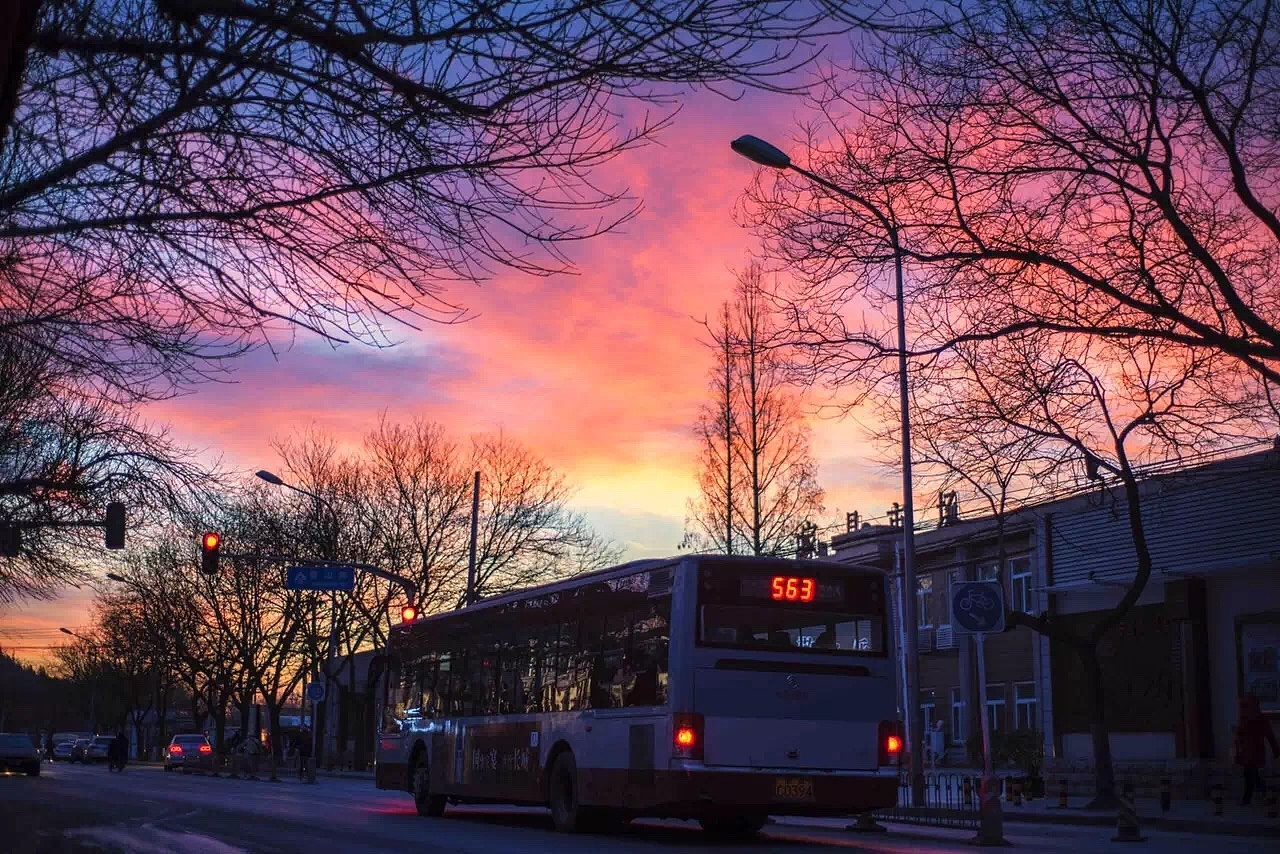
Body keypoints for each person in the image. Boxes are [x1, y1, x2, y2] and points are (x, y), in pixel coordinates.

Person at [1234, 694, 1279, 805]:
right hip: (1250, 752)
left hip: (1252, 752)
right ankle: (1252, 798)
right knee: (1250, 775)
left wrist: (1276, 750)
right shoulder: (1249, 718)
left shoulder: (1251, 718)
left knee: (1251, 776)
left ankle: (1264, 795)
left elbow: (1269, 735)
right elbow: (1270, 735)